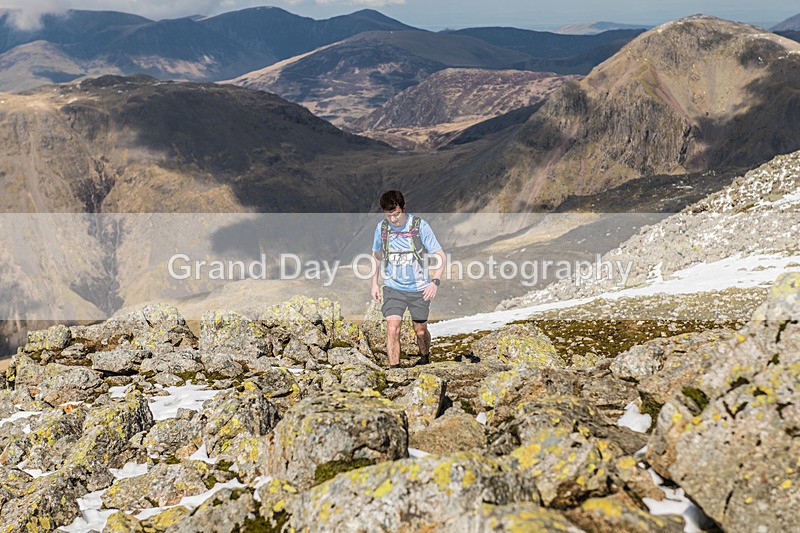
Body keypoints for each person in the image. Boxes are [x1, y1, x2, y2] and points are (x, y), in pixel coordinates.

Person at [371, 190, 446, 368]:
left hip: (419, 288)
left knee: (420, 331)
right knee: (393, 327)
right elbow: (376, 256)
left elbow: (440, 255)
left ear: (404, 208)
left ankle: (425, 356)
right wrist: (374, 283)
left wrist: (435, 282)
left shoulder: (420, 226)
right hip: (393, 288)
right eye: (389, 215)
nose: (394, 219)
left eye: (396, 214)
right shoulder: (382, 229)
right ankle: (394, 369)